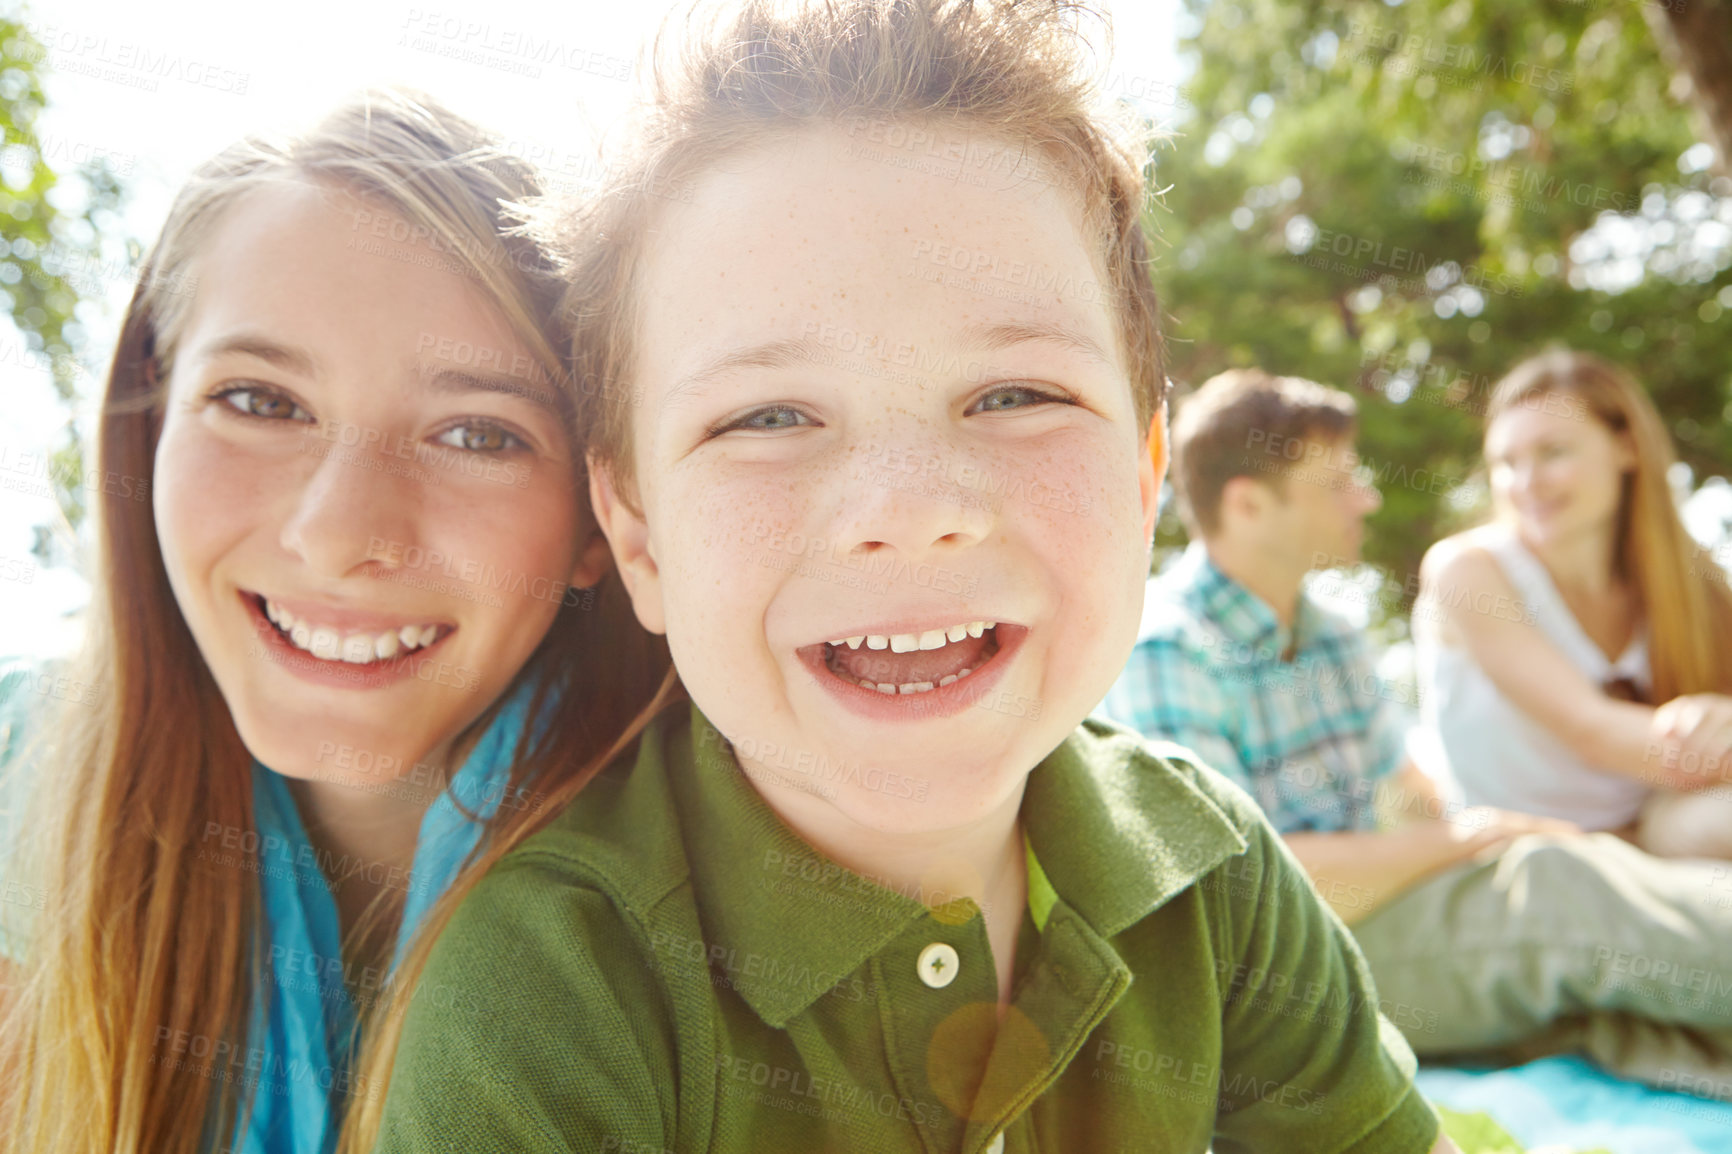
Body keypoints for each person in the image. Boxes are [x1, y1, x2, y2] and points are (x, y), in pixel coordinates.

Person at [348, 4, 1459, 1152]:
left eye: (1015, 395)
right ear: (637, 535)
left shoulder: (1211, 866)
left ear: (1143, 478)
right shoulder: (552, 992)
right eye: (768, 415)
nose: (909, 510)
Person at [0, 89, 672, 1154]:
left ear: (603, 513)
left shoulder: (728, 888)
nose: (338, 534)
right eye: (262, 401)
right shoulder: (14, 777)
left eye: (475, 433)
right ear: (150, 420)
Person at [1102, 366, 1732, 1095]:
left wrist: (1476, 836)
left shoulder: (1331, 639)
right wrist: (1473, 839)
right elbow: (1243, 899)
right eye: (1336, 484)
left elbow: (1406, 802)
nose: (1365, 498)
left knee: (1597, 972)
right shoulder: (1169, 650)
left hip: (1378, 922)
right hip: (1279, 974)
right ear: (1249, 507)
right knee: (1551, 896)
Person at [1416, 349, 1732, 859]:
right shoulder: (1468, 570)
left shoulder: (1693, 583)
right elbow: (1593, 732)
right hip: (1528, 856)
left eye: (1553, 452)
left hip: (1654, 829)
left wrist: (1717, 719)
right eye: (1507, 462)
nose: (1526, 482)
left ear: (1626, 448)